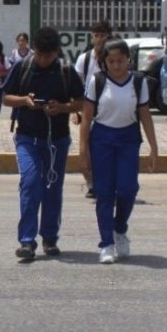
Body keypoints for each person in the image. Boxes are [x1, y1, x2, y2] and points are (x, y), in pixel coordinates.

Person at [2, 27, 84, 260]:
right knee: (30, 183)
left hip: (57, 139)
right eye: (39, 54)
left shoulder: (66, 70)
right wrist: (25, 101)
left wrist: (62, 108)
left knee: (52, 189)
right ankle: (27, 241)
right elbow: (6, 98)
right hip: (27, 137)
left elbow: (80, 102)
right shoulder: (23, 66)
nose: (43, 59)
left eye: (48, 55)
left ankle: (49, 237)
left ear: (57, 52)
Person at [78, 38, 159, 265]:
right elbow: (86, 118)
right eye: (111, 61)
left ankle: (119, 229)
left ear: (128, 60)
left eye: (120, 61)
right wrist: (83, 151)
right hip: (102, 138)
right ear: (105, 62)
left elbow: (145, 115)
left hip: (128, 139)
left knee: (128, 189)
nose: (116, 66)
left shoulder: (138, 82)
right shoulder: (97, 81)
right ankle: (106, 243)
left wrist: (154, 148)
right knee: (104, 193)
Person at [72, 20, 113, 199]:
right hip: (87, 108)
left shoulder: (113, 57)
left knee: (103, 148)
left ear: (108, 36)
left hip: (108, 109)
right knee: (84, 150)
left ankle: (105, 182)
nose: (99, 39)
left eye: (102, 35)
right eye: (96, 35)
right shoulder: (85, 58)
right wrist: (75, 110)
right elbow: (75, 84)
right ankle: (91, 184)